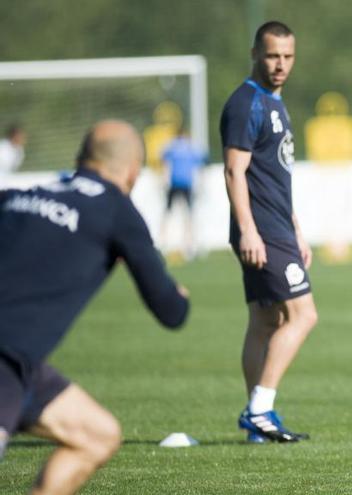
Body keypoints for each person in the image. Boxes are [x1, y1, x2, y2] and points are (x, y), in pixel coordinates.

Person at [0, 120, 190, 494]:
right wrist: (178, 295)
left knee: (97, 435)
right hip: (3, 359)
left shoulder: (18, 195)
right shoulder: (118, 210)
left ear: (80, 158)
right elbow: (170, 311)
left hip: (22, 365)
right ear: (134, 172)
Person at [221, 20, 317, 444]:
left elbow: (276, 174)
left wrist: (296, 227)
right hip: (261, 230)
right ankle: (259, 409)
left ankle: (255, 423)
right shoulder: (246, 103)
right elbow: (233, 171)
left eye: (288, 57)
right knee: (303, 314)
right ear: (255, 54)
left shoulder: (275, 102)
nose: (280, 65)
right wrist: (248, 231)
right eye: (273, 55)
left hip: (278, 227)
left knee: (265, 320)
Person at [160, 127, 208, 259]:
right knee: (188, 216)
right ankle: (189, 247)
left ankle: (163, 244)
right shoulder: (191, 148)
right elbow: (201, 166)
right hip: (186, 184)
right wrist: (202, 184)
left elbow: (165, 164)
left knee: (168, 214)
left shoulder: (171, 147)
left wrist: (164, 181)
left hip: (174, 184)